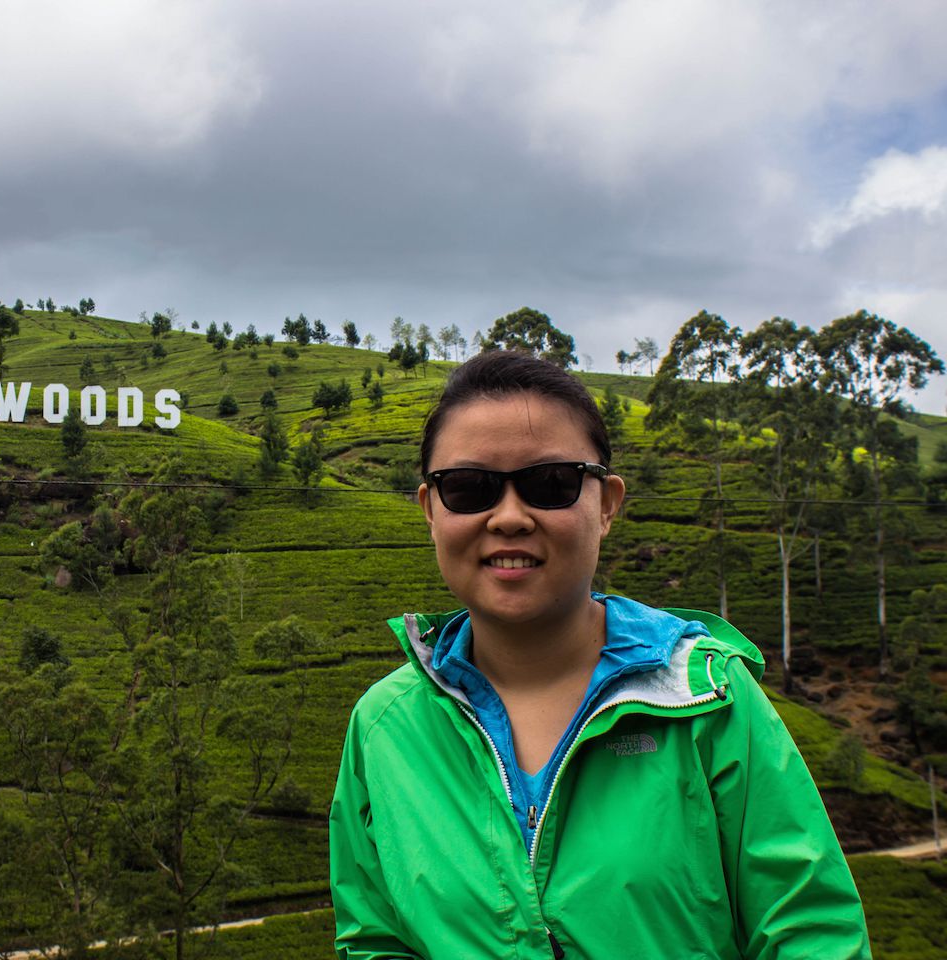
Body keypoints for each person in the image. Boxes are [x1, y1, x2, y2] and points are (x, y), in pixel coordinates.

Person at [329, 351, 870, 959]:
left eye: (551, 483)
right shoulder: (384, 727)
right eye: (468, 488)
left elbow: (808, 931)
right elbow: (375, 940)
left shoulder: (707, 700)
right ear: (431, 509)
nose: (508, 517)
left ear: (607, 503)